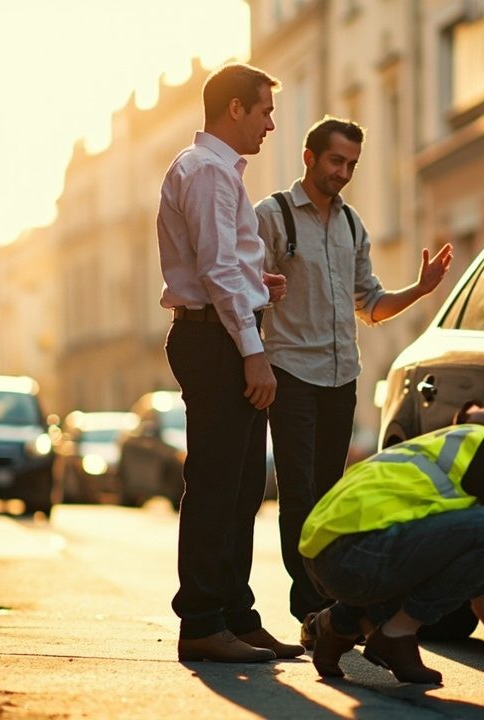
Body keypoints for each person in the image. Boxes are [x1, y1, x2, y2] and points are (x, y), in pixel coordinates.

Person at [253, 116, 454, 627]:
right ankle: (310, 604)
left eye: (352, 165)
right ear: (310, 158)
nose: (344, 173)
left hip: (342, 375)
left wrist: (420, 289)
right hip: (291, 369)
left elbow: (372, 304)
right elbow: (246, 286)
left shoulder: (351, 224)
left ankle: (329, 598)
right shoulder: (274, 216)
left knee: (330, 492)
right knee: (298, 492)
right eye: (336, 161)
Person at [298, 399, 484, 687]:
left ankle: (339, 623)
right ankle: (396, 635)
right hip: (351, 552)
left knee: (469, 553)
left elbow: (479, 583)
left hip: (327, 550)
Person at [156, 62, 295, 664]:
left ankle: (236, 615)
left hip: (220, 331)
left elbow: (218, 263)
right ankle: (203, 622)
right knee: (217, 484)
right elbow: (213, 270)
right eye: (264, 110)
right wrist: (254, 350)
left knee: (240, 488)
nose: (270, 123)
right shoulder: (209, 172)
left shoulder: (213, 171)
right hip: (216, 341)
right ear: (234, 109)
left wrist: (256, 284)